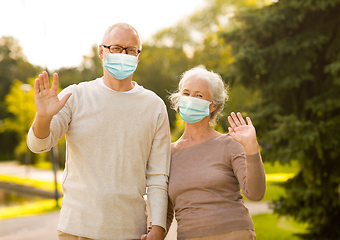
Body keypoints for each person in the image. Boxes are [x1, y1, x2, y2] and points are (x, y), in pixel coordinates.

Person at [27, 23, 171, 240]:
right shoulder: (75, 96)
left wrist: (158, 228)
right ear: (102, 52)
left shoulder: (154, 106)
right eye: (116, 48)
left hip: (131, 230)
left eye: (131, 50)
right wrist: (43, 117)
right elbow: (38, 145)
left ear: (138, 57)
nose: (124, 54)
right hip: (77, 228)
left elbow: (158, 176)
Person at [166, 66, 266, 240]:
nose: (190, 99)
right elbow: (165, 210)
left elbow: (255, 193)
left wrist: (251, 148)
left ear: (213, 106)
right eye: (186, 93)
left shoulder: (229, 144)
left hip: (234, 234)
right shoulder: (168, 153)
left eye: (199, 95)